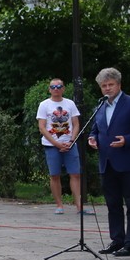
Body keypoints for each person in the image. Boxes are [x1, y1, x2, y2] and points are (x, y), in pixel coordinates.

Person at [88, 67, 130, 257]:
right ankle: (117, 240)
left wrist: (127, 139)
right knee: (112, 204)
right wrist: (92, 138)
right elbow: (96, 129)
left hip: (129, 161)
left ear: (119, 84)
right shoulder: (100, 106)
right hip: (107, 162)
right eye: (104, 86)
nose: (107, 88)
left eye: (111, 85)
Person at [36, 78, 86, 215]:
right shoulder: (44, 105)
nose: (56, 89)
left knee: (75, 174)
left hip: (70, 144)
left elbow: (76, 124)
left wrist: (71, 141)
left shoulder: (70, 103)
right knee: (54, 175)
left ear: (63, 88)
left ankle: (79, 206)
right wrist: (56, 144)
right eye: (53, 87)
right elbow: (42, 127)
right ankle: (59, 205)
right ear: (49, 89)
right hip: (51, 145)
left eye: (59, 86)